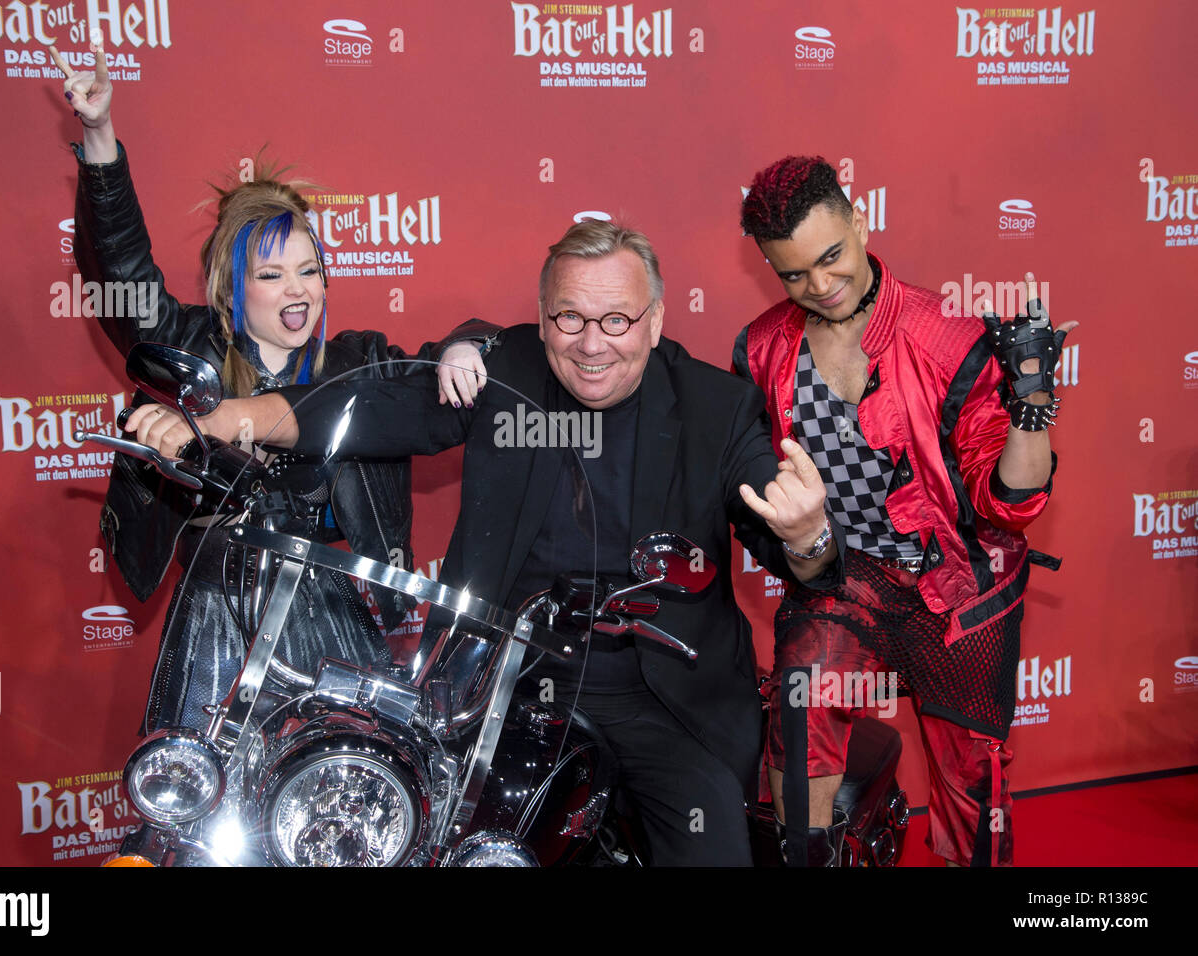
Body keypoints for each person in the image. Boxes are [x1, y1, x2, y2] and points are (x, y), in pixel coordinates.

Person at [125, 219, 838, 866]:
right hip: (499, 689)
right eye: (569, 318)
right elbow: (364, 405)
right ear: (542, 316)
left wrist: (808, 535)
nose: (592, 344)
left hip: (662, 699)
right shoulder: (505, 372)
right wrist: (224, 419)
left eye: (617, 320)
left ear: (655, 322)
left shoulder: (716, 406)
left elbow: (793, 545)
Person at [50, 35, 489, 735]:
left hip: (330, 612)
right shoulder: (187, 347)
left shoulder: (356, 361)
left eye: (309, 270)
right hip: (218, 608)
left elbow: (442, 378)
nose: (298, 290)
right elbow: (122, 274)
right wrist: (99, 135)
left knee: (363, 783)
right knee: (198, 803)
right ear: (234, 287)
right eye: (272, 273)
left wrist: (468, 343)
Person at [734, 155, 1075, 866]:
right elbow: (750, 483)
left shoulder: (948, 336)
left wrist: (1032, 407)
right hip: (845, 582)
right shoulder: (763, 347)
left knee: (971, 789)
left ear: (860, 223)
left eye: (832, 257)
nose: (820, 286)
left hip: (957, 591)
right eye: (793, 274)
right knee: (798, 707)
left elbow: (1010, 505)